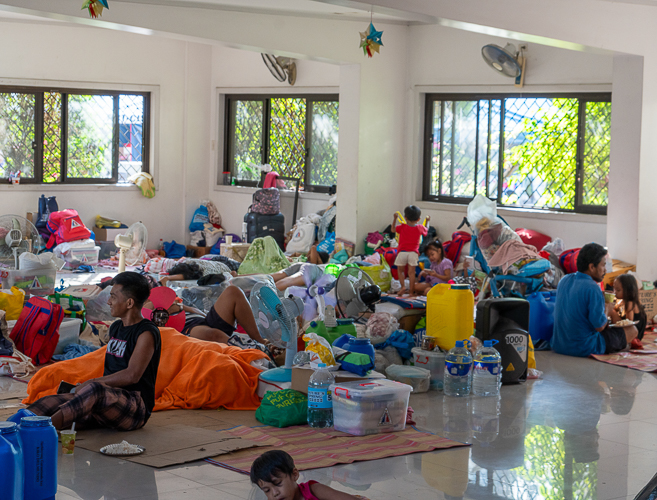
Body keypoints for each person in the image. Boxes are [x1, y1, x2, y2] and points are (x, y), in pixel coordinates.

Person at [25, 272, 161, 431]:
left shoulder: (146, 332)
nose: (109, 302)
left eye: (113, 297)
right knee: (48, 402)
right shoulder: (116, 327)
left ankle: (39, 432)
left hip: (134, 407)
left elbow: (132, 375)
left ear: (129, 303)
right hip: (107, 399)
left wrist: (92, 382)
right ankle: (12, 428)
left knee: (94, 390)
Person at [552, 243, 638, 357]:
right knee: (632, 330)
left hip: (559, 345)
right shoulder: (593, 287)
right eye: (603, 265)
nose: (605, 270)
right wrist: (607, 308)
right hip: (584, 347)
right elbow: (599, 327)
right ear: (592, 267)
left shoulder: (565, 279)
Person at [251, 450, 364, 500]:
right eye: (267, 491)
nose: (274, 494)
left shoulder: (314, 490)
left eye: (278, 483)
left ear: (294, 475)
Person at [392, 205, 429, 295]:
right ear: (418, 219)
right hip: (413, 253)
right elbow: (426, 230)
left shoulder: (403, 227)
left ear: (405, 218)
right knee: (411, 273)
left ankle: (403, 287)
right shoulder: (420, 227)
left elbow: (393, 229)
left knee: (400, 271)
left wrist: (394, 219)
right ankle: (411, 292)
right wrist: (427, 221)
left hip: (402, 252)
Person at [610, 274, 648, 340]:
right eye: (614, 288)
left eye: (618, 290)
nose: (615, 292)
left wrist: (612, 311)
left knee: (612, 312)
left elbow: (628, 324)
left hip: (634, 336)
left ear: (628, 291)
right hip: (631, 334)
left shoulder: (630, 303)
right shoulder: (622, 302)